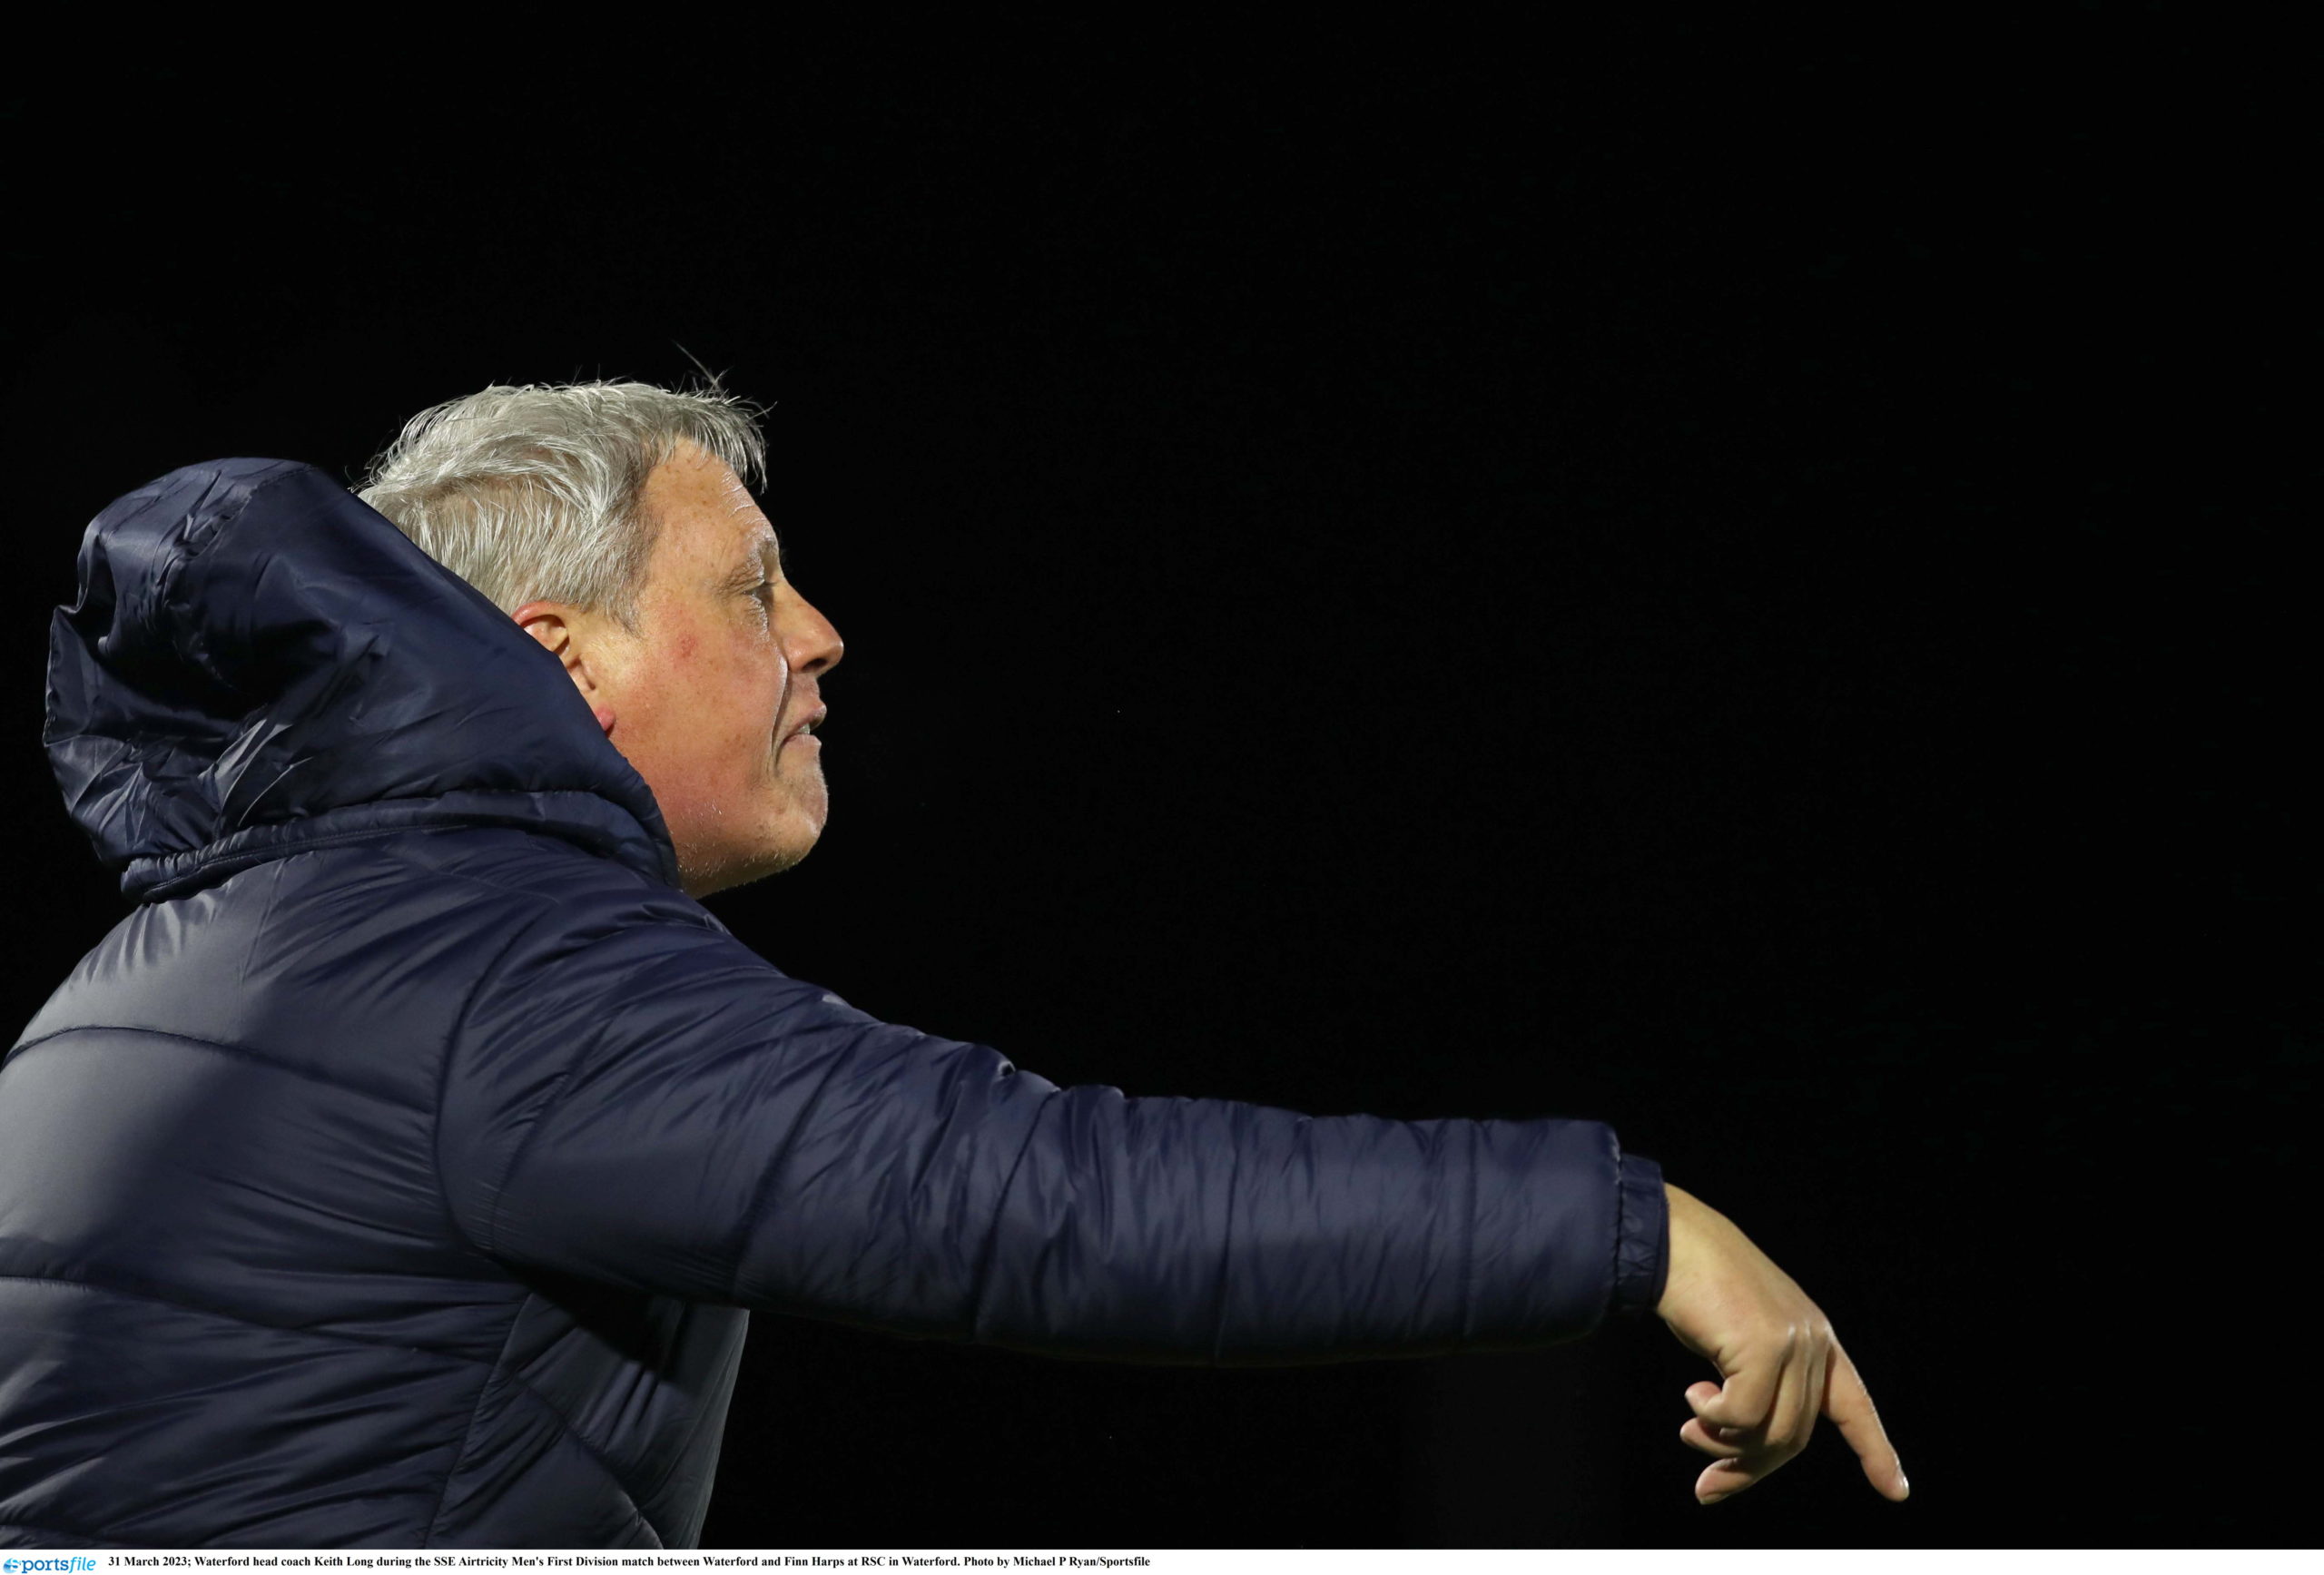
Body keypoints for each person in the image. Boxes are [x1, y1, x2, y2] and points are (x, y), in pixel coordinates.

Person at [0, 381, 1905, 1550]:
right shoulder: (502, 965)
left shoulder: (144, 976)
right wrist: (1629, 1229)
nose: (821, 631)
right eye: (751, 584)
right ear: (563, 657)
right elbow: (1036, 1198)